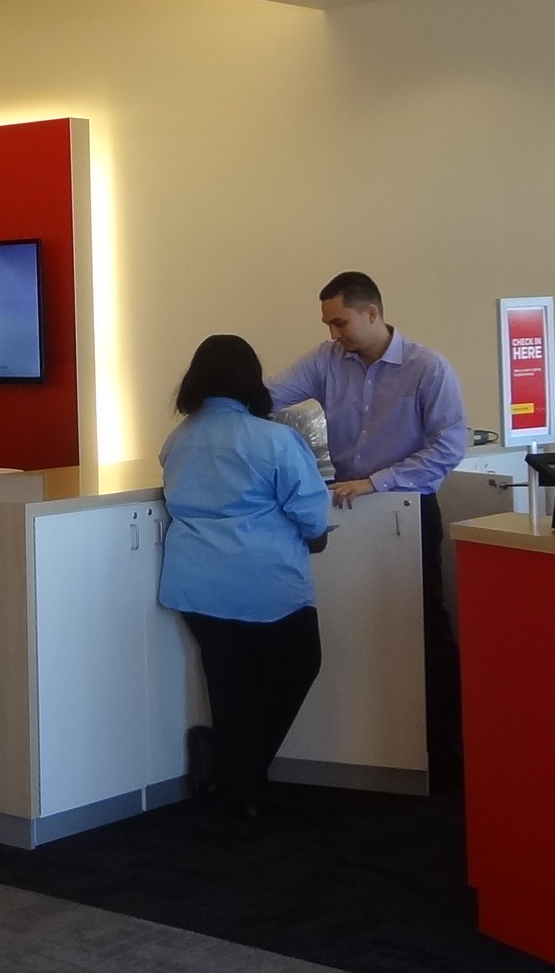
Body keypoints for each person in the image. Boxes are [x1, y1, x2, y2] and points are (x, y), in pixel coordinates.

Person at [267, 270, 470, 784]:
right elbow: (271, 394)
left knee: (423, 624)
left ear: (371, 313)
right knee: (360, 622)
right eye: (328, 324)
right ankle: (382, 745)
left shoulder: (428, 368)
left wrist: (378, 481)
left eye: (340, 322)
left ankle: (446, 750)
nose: (334, 333)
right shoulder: (326, 360)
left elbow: (448, 448)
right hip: (351, 508)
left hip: (406, 507)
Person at [159, 335, 334, 816]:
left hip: (194, 583)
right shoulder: (276, 440)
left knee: (230, 684)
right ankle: (241, 779)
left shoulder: (178, 438)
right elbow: (312, 516)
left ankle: (239, 783)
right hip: (264, 584)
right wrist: (317, 537)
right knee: (299, 664)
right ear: (251, 380)